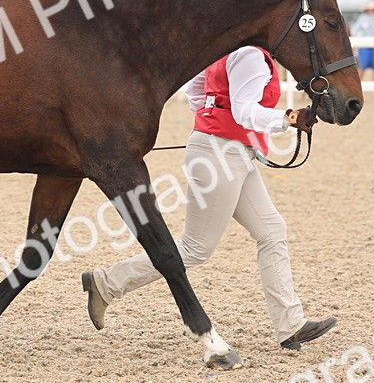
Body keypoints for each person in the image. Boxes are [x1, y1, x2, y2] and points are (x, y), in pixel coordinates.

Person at [81, 46, 337, 352]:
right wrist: (290, 117)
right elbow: (245, 111)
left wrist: (211, 122)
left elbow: (196, 92)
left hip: (227, 151)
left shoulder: (223, 47)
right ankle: (106, 283)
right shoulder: (252, 55)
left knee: (272, 231)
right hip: (222, 155)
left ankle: (291, 325)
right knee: (196, 247)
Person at [351, 0, 374, 81]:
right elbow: (355, 28)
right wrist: (353, 37)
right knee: (362, 65)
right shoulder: (363, 17)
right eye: (369, 9)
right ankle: (360, 83)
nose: (370, 11)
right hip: (365, 45)